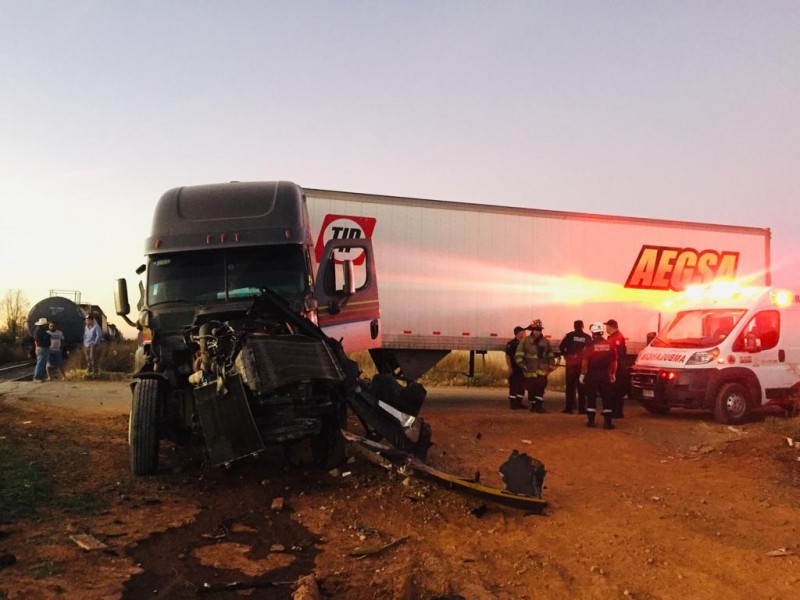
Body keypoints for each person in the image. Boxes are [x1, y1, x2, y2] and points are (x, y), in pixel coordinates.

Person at [579, 322, 618, 429]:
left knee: (591, 397)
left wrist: (582, 375)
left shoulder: (590, 346)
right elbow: (614, 362)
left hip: (592, 374)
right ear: (601, 332)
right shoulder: (610, 345)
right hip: (605, 374)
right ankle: (607, 423)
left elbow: (585, 362)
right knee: (607, 398)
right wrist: (613, 374)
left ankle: (591, 422)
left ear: (592, 333)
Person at [515, 319, 555, 413]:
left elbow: (550, 354)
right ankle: (533, 405)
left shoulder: (545, 342)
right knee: (531, 389)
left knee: (540, 388)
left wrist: (551, 365)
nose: (537, 332)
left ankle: (539, 406)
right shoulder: (525, 341)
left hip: (542, 370)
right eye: (536, 330)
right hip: (530, 370)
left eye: (539, 330)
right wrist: (521, 364)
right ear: (532, 330)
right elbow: (518, 354)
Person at [558, 320, 590, 414]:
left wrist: (566, 354)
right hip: (581, 365)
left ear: (574, 326)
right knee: (582, 387)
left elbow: (561, 347)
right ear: (583, 326)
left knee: (570, 387)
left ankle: (569, 408)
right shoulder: (586, 337)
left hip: (571, 364)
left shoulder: (570, 335)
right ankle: (581, 408)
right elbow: (591, 350)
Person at [605, 319, 627, 418]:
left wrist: (612, 369)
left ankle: (617, 412)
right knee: (614, 390)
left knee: (616, 390)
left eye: (607, 326)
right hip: (617, 367)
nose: (606, 328)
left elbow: (616, 355)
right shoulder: (614, 337)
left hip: (618, 368)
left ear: (611, 327)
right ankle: (615, 411)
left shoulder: (617, 338)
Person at [505, 326, 527, 410]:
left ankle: (519, 403)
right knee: (514, 386)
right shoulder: (512, 344)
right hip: (515, 368)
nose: (525, 334)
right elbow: (508, 356)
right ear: (518, 333)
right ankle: (513, 404)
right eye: (523, 332)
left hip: (522, 368)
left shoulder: (524, 343)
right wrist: (510, 367)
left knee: (522, 386)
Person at [32, 317, 51, 382]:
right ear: (43, 325)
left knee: (43, 363)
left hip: (43, 347)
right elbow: (47, 337)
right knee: (40, 363)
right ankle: (37, 377)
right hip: (42, 348)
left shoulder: (40, 330)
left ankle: (41, 377)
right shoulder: (40, 331)